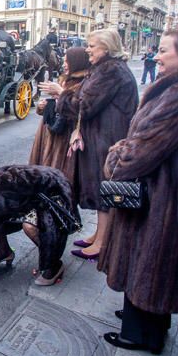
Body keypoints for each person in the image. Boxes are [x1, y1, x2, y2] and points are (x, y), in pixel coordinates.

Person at [98, 25, 178, 355]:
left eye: (165, 50)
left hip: (163, 198)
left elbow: (140, 154)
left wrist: (116, 154)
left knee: (148, 261)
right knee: (159, 264)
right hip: (176, 193)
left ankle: (139, 333)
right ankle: (150, 319)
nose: (158, 56)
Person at [70, 29, 138, 260]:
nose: (88, 49)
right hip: (104, 133)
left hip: (107, 136)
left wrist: (62, 95)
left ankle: (102, 243)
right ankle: (99, 235)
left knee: (104, 188)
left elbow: (86, 105)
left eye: (92, 45)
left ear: (106, 48)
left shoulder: (111, 70)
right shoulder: (108, 68)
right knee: (101, 187)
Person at [0, 165, 79, 288]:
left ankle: (54, 264)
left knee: (31, 227)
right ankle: (5, 252)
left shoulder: (10, 181)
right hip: (28, 202)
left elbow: (47, 186)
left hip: (52, 196)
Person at [31, 47, 91, 192]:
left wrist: (60, 92)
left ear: (76, 62)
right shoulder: (64, 79)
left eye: (67, 61)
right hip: (48, 132)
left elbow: (78, 109)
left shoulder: (84, 83)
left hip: (63, 138)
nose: (63, 64)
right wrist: (43, 106)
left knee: (58, 182)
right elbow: (57, 104)